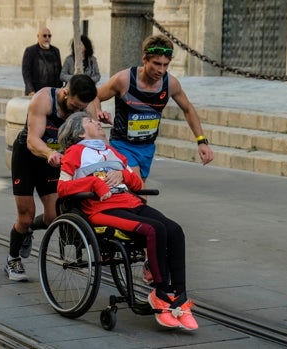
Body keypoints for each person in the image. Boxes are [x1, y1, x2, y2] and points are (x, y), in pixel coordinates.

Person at [57, 111, 198, 331]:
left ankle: (180, 296)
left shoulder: (112, 151)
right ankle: (161, 294)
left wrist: (123, 176)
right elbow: (63, 188)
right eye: (91, 122)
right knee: (154, 229)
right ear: (80, 132)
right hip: (101, 208)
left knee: (175, 230)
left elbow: (137, 184)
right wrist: (94, 184)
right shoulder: (75, 152)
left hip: (130, 202)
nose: (98, 123)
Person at [5, 74, 97, 282]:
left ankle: (28, 230)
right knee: (26, 215)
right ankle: (13, 257)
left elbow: (93, 133)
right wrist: (49, 153)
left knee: (52, 217)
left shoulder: (85, 105)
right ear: (65, 92)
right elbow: (32, 139)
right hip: (29, 156)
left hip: (56, 159)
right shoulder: (44, 99)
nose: (76, 111)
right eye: (73, 106)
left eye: (80, 108)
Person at [95, 34, 213, 184]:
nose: (161, 70)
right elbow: (95, 96)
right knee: (139, 190)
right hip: (122, 145)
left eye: (165, 65)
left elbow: (188, 109)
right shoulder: (124, 80)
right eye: (157, 64)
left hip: (147, 148)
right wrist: (98, 111)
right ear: (145, 59)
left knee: (136, 197)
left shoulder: (170, 84)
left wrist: (201, 141)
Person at [21, 27, 62, 96]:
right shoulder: (30, 51)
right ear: (38, 37)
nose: (47, 38)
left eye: (49, 36)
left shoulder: (55, 51)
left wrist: (59, 89)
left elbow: (59, 70)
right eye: (44, 36)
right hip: (36, 91)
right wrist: (30, 90)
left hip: (53, 91)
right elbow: (26, 72)